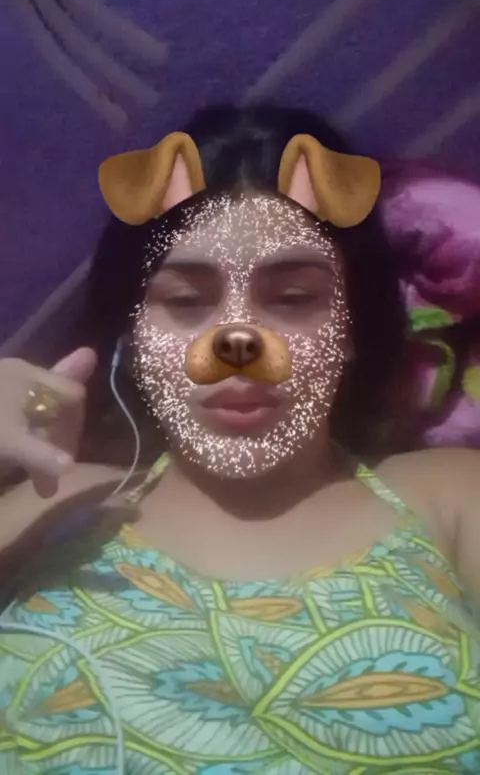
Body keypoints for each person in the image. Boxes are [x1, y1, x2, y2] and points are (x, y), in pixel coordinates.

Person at [0, 105, 479, 774]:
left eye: (292, 298)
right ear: (134, 335)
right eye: (186, 301)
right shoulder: (53, 505)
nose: (238, 343)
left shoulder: (450, 498)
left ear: (352, 328)